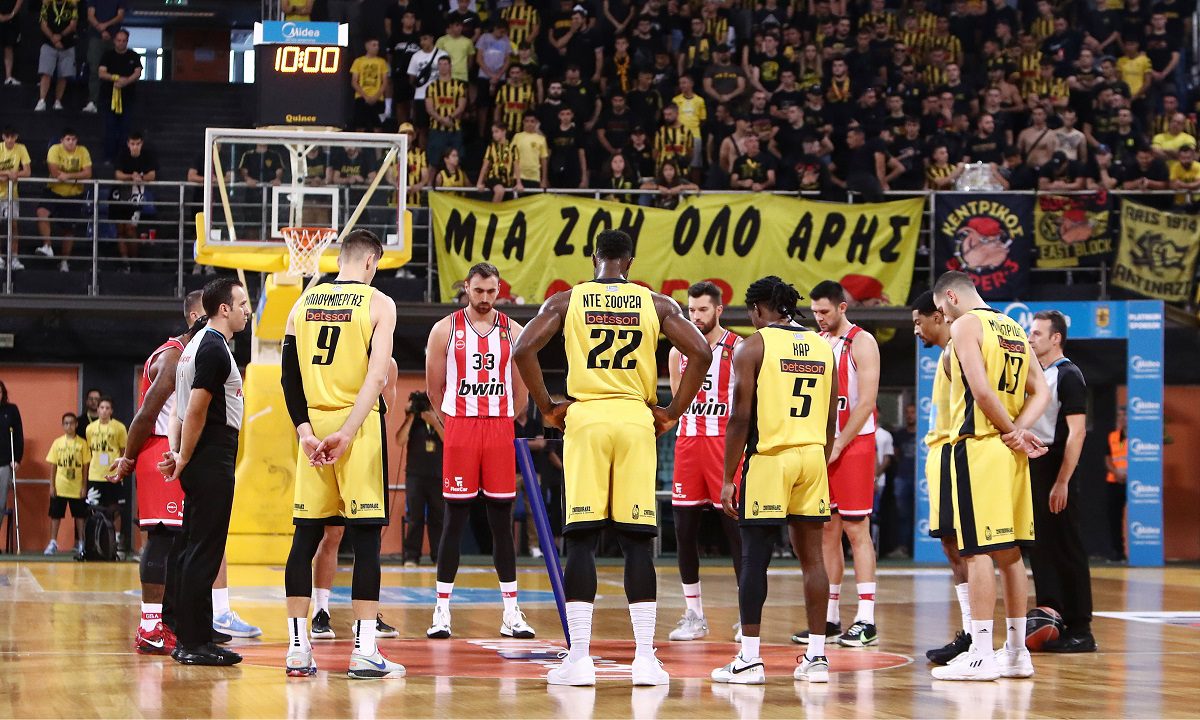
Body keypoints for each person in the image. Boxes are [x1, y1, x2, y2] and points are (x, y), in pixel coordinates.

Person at [513, 229, 711, 687]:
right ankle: (645, 659)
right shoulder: (656, 303)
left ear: (594, 258)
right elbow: (701, 351)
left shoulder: (567, 300)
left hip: (586, 420)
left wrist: (548, 407)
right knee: (637, 541)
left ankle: (579, 658)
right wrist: (672, 412)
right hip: (636, 420)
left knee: (581, 539)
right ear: (630, 262)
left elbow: (523, 348)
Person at [279, 231, 403, 679]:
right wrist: (349, 433)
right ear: (371, 261)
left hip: (313, 430)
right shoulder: (379, 303)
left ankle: (298, 649)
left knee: (305, 539)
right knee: (366, 541)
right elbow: (377, 377)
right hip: (358, 427)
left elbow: (288, 377)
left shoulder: (302, 304)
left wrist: (305, 432)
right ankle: (364, 651)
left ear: (340, 260)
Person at [109, 292, 262, 649]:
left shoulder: (187, 352)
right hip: (162, 449)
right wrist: (128, 457)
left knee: (186, 540)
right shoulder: (175, 355)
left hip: (174, 450)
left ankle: (180, 621)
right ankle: (151, 626)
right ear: (199, 317)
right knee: (163, 539)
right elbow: (147, 414)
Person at [710, 276, 837, 685]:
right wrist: (820, 459)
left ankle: (749, 659)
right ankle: (817, 656)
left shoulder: (754, 345)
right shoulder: (823, 346)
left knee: (755, 558)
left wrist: (728, 477)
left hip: (771, 458)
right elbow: (831, 417)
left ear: (757, 309)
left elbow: (740, 417)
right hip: (812, 457)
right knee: (813, 559)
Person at [930, 270, 1050, 681]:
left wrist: (1010, 430)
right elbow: (1041, 390)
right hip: (1010, 454)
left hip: (979, 446)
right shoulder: (1013, 327)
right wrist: (1018, 432)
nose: (943, 316)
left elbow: (981, 391)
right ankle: (1016, 653)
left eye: (942, 308)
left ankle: (980, 653)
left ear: (951, 296)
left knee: (976, 551)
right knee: (1011, 554)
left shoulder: (966, 324)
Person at [424, 263, 535, 641]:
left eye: (491, 291)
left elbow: (521, 391)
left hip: (499, 428)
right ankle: (441, 611)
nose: (485, 298)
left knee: (502, 521)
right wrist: (455, 422)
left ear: (499, 291)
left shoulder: (514, 330)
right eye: (478, 291)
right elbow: (434, 389)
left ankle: (511, 612)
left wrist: (503, 418)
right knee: (454, 519)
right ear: (466, 289)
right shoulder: (444, 329)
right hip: (461, 427)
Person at [159, 278, 251, 667]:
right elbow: (195, 409)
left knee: (192, 547)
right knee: (204, 551)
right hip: (212, 454)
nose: (248, 310)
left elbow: (178, 413)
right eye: (242, 304)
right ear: (223, 309)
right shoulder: (213, 347)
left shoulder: (195, 346)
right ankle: (193, 643)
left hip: (200, 453)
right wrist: (182, 456)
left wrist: (177, 451)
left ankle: (189, 633)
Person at [793, 280, 880, 648]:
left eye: (824, 311)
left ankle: (866, 618)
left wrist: (841, 443)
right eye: (814, 311)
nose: (819, 317)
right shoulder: (816, 342)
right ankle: (829, 617)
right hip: (824, 446)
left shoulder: (862, 341)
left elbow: (867, 401)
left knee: (857, 529)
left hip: (855, 444)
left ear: (842, 307)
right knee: (827, 529)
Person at [667, 282, 743, 642]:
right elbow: (678, 403)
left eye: (702, 310)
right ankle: (694, 614)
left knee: (736, 532)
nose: (695, 316)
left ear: (719, 310)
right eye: (691, 310)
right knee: (684, 531)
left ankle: (747, 613)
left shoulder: (739, 348)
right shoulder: (677, 351)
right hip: (688, 444)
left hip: (725, 446)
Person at [1026, 310, 1096, 653]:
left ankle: (1081, 628)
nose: (1030, 338)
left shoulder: (1068, 375)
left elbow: (1077, 432)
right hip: (1034, 464)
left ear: (1056, 338)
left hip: (1056, 465)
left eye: (1037, 333)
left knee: (1067, 546)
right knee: (1040, 547)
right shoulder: (1036, 374)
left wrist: (1063, 480)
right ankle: (1051, 620)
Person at [911, 290, 973, 665]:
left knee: (966, 548)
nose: (916, 330)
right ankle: (971, 632)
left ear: (938, 316)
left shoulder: (957, 350)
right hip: (943, 454)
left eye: (919, 322)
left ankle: (976, 635)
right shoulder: (948, 352)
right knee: (952, 546)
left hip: (954, 452)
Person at [397, 390, 444, 567]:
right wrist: (409, 416)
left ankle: (439, 556)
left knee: (438, 517)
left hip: (438, 475)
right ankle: (411, 556)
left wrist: (435, 422)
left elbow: (450, 441)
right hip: (415, 475)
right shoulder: (413, 421)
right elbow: (399, 441)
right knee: (414, 517)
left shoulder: (441, 419)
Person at [35, 129, 92, 272]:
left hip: (74, 194)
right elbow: (55, 172)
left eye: (73, 139)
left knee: (69, 229)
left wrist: (68, 176)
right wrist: (77, 175)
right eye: (68, 139)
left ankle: (64, 261)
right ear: (62, 140)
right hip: (53, 191)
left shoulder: (83, 151)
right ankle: (47, 246)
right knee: (41, 212)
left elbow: (88, 173)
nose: (71, 142)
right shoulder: (54, 149)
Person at [44, 412, 89, 556]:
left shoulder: (82, 443)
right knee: (55, 515)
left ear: (76, 425)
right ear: (63, 425)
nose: (69, 426)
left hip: (76, 487)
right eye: (66, 423)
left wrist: (84, 486)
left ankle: (81, 542)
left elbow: (85, 467)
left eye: (72, 423)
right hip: (60, 486)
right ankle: (53, 542)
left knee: (80, 516)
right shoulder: (57, 443)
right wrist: (52, 485)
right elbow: (53, 466)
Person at [111, 132, 157, 270]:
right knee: (120, 229)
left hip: (137, 195)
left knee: (131, 228)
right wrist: (131, 176)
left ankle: (134, 260)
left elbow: (152, 175)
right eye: (132, 144)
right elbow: (117, 174)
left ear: (141, 144)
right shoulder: (122, 154)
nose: (135, 147)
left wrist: (140, 178)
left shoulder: (147, 156)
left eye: (137, 144)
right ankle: (125, 260)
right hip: (120, 194)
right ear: (128, 144)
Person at [97, 28, 142, 161]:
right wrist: (115, 79)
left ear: (127, 41)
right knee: (110, 128)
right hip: (108, 98)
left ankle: (123, 157)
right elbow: (101, 73)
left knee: (125, 129)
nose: (121, 43)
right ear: (114, 41)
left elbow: (138, 72)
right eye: (119, 40)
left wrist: (126, 81)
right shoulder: (107, 55)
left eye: (124, 41)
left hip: (128, 98)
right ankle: (109, 157)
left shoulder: (133, 55)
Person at [85, 396, 126, 524]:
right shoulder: (90, 428)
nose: (104, 410)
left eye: (107, 408)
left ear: (111, 411)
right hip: (95, 475)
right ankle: (96, 534)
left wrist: (120, 471)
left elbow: (123, 451)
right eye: (102, 407)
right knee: (94, 508)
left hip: (113, 474)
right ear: (97, 410)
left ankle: (117, 535)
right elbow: (90, 449)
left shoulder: (119, 427)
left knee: (116, 508)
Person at [35, 0, 79, 112]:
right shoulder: (46, 5)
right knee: (46, 72)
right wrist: (53, 38)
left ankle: (57, 101)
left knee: (63, 75)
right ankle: (42, 100)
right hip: (48, 43)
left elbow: (73, 25)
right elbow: (43, 25)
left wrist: (60, 36)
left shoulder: (72, 5)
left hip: (67, 44)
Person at [0, 126, 32, 271]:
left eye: (12, 137)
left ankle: (14, 258)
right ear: (3, 137)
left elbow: (27, 172)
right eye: (7, 137)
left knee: (13, 227)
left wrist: (13, 174)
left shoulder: (21, 148)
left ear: (16, 137)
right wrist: (8, 172)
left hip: (11, 195)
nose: (10, 140)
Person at [349, 38, 391, 132]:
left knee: (378, 127)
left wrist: (376, 96)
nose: (377, 47)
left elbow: (385, 82)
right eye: (374, 45)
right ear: (367, 46)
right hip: (361, 98)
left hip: (378, 99)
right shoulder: (358, 61)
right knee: (360, 126)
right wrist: (366, 97)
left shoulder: (382, 62)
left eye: (377, 45)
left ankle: (378, 143)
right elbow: (354, 82)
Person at [1104, 405, 1127, 561]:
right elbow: (1108, 459)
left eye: (1125, 415)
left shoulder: (1139, 437)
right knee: (1114, 517)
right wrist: (1116, 472)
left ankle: (1139, 552)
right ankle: (1118, 552)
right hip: (1115, 481)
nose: (1122, 419)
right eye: (1119, 416)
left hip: (1134, 483)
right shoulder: (1112, 436)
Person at [0, 379, 22, 531]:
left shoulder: (11, 410)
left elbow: (18, 435)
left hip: (4, 462)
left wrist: (17, 459)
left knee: (1, 502)